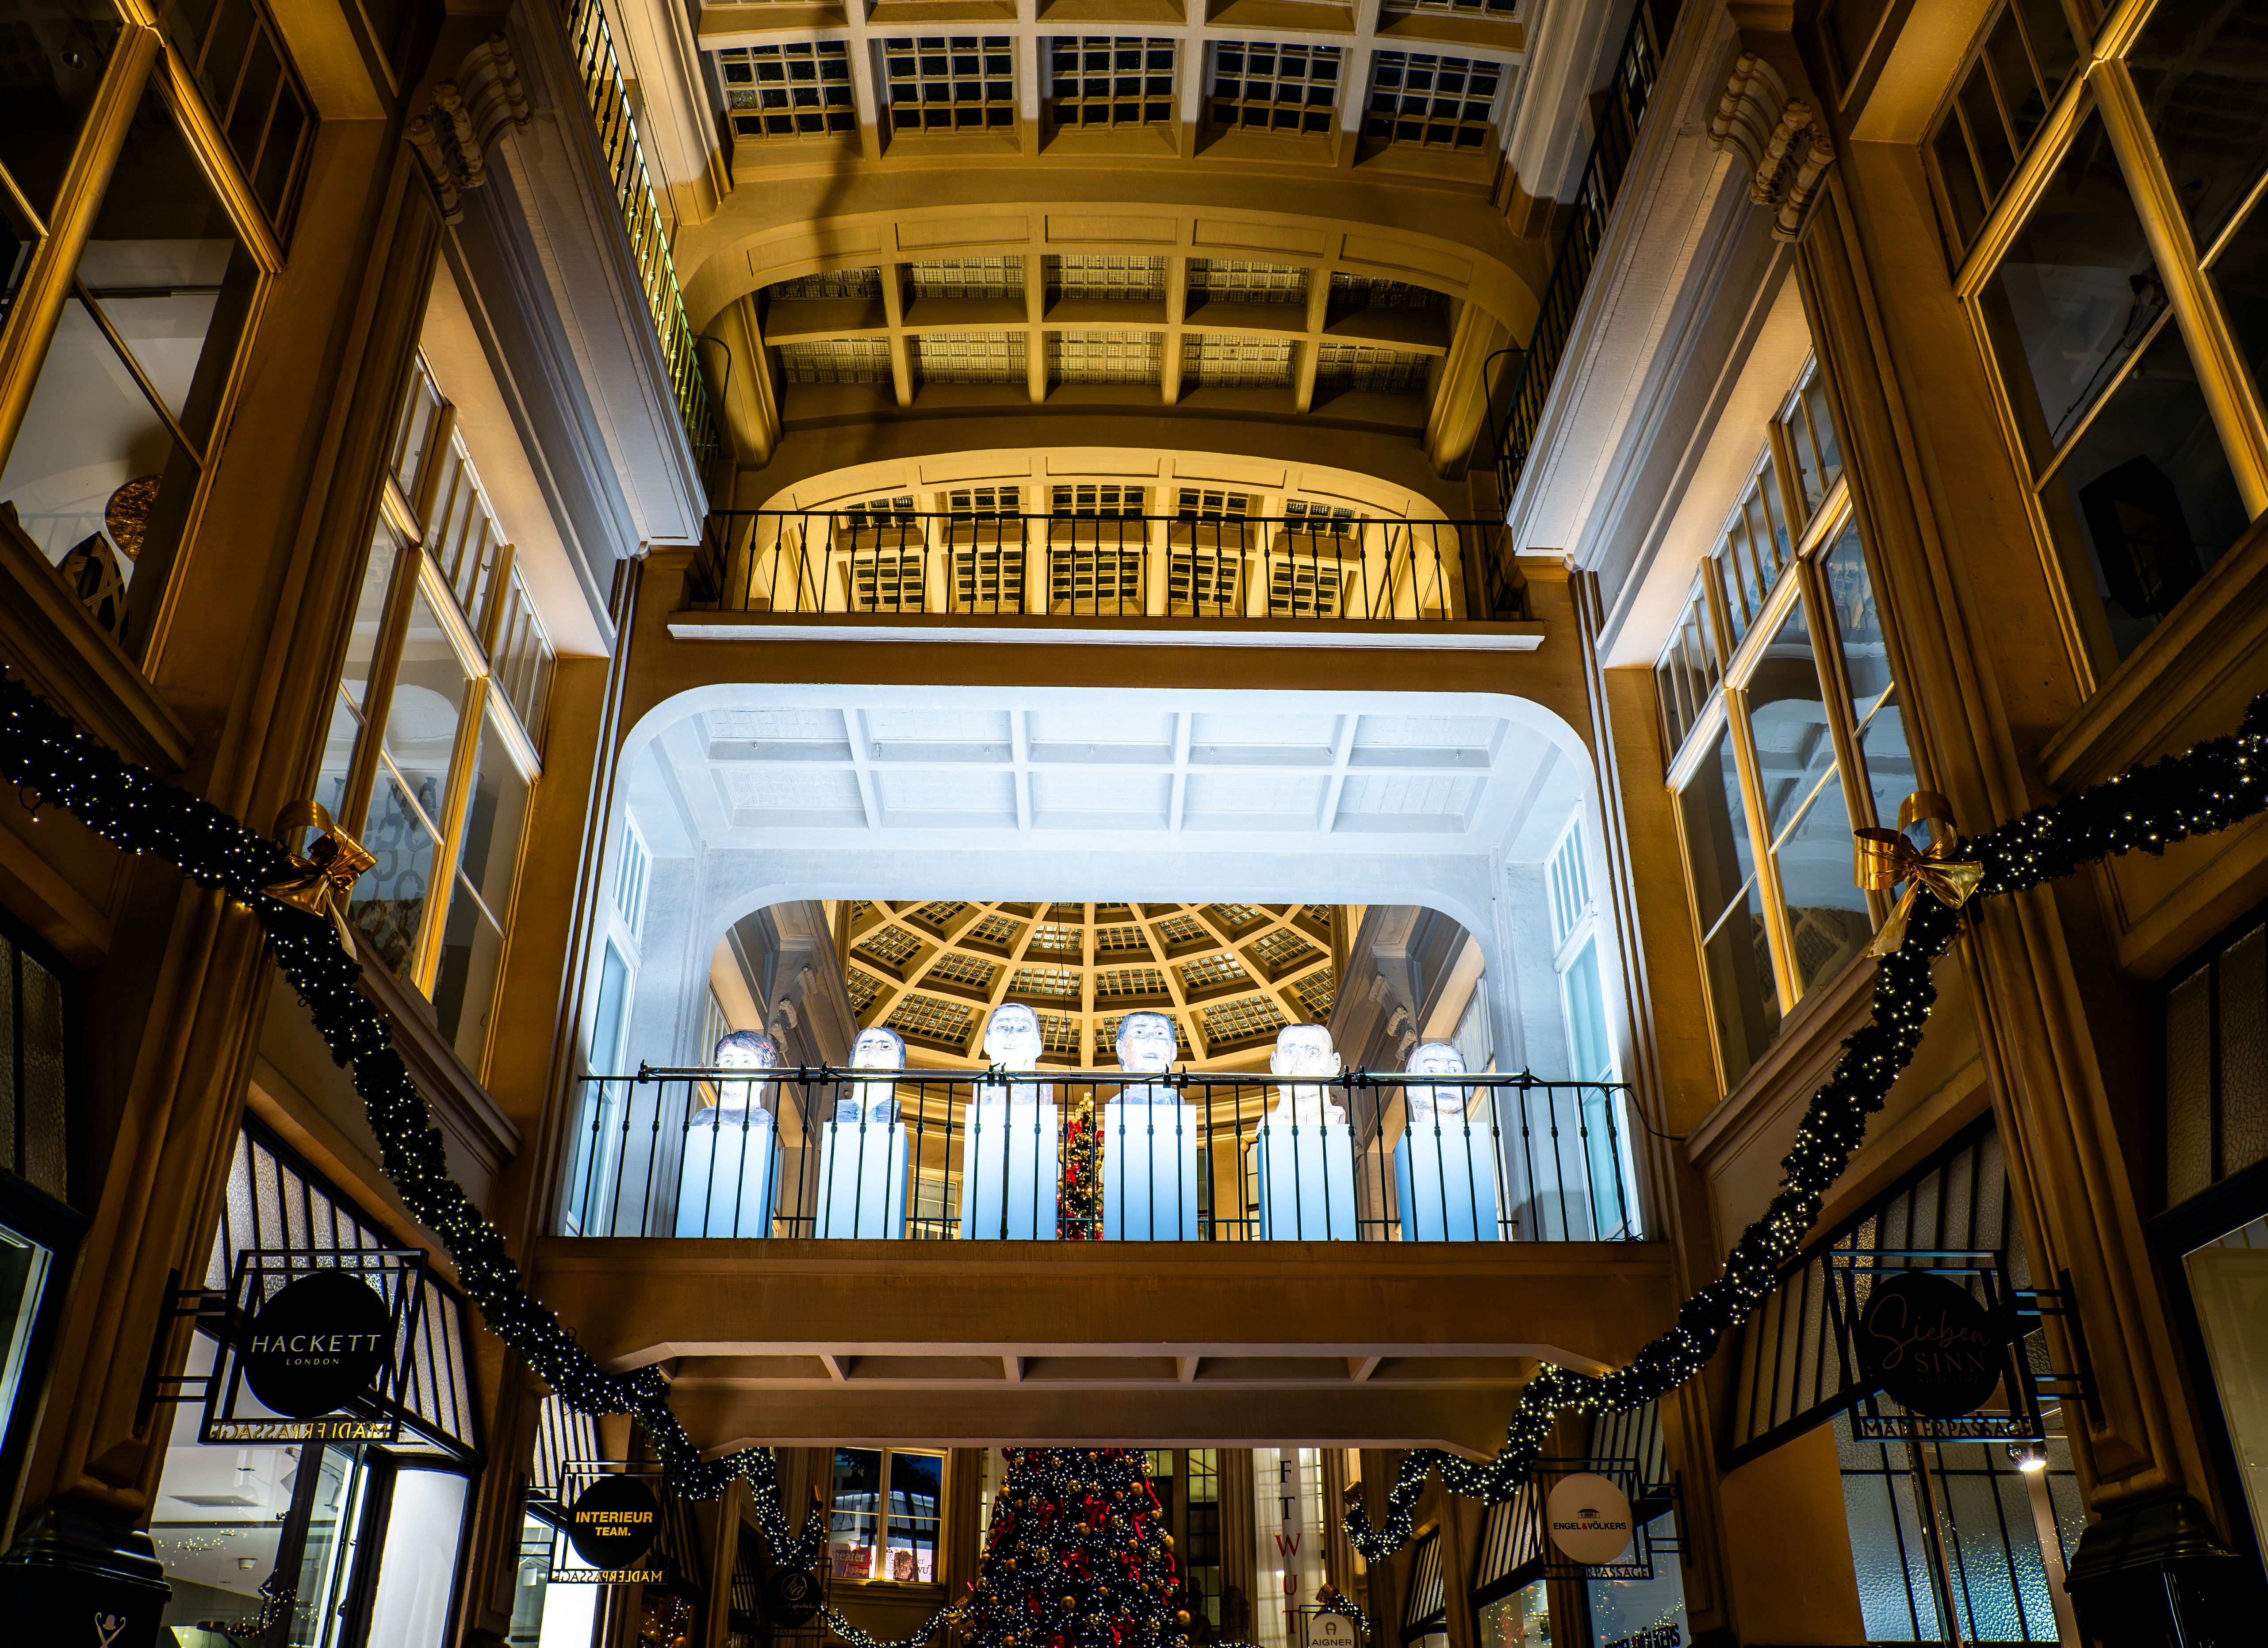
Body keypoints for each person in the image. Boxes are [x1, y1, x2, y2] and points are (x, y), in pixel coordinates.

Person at [837, 1025, 906, 1123]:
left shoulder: (890, 1112)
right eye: (865, 1047)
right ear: (853, 1062)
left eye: (885, 1047)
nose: (871, 1055)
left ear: (900, 1064)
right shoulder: (843, 1110)